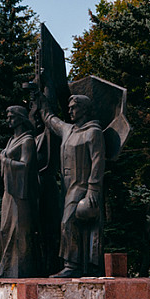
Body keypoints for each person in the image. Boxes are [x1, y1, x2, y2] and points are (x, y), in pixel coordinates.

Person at [36, 94, 106, 278]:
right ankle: (76, 264)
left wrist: (93, 188)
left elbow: (98, 161)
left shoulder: (93, 131)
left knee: (68, 221)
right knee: (66, 223)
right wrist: (39, 98)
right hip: (67, 186)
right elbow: (51, 120)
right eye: (69, 107)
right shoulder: (68, 130)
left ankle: (72, 265)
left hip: (82, 185)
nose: (70, 110)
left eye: (74, 107)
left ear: (84, 108)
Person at [0, 106, 40, 278]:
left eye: (11, 117)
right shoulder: (11, 140)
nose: (8, 120)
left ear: (21, 118)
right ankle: (7, 267)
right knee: (5, 229)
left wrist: (5, 160)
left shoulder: (27, 140)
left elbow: (25, 166)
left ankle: (20, 268)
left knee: (19, 229)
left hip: (21, 194)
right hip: (9, 191)